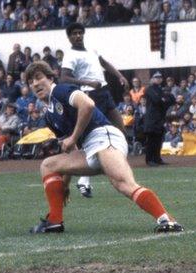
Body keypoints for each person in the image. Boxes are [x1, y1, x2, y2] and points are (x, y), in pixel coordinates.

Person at [25, 61, 182, 234]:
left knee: (123, 184)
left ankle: (167, 221)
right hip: (90, 149)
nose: (35, 84)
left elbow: (88, 105)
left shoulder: (60, 90)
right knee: (48, 165)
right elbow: (70, 149)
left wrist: (74, 137)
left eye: (38, 78)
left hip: (105, 138)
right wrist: (65, 184)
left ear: (50, 78)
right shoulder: (49, 115)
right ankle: (54, 221)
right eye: (30, 82)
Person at [60, 22, 130, 199]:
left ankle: (112, 166)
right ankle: (84, 179)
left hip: (104, 92)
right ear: (69, 37)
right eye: (74, 33)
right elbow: (64, 78)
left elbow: (104, 63)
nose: (78, 36)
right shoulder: (70, 55)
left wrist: (120, 76)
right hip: (90, 94)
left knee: (120, 130)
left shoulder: (92, 50)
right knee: (94, 138)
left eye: (80, 33)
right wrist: (87, 82)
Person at [144, 71, 174, 166]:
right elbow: (157, 100)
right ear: (152, 79)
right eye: (156, 77)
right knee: (151, 140)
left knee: (158, 140)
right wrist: (164, 99)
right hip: (152, 119)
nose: (158, 79)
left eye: (160, 77)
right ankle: (149, 160)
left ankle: (157, 158)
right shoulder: (149, 89)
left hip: (160, 118)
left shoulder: (161, 90)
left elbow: (172, 100)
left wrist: (163, 99)